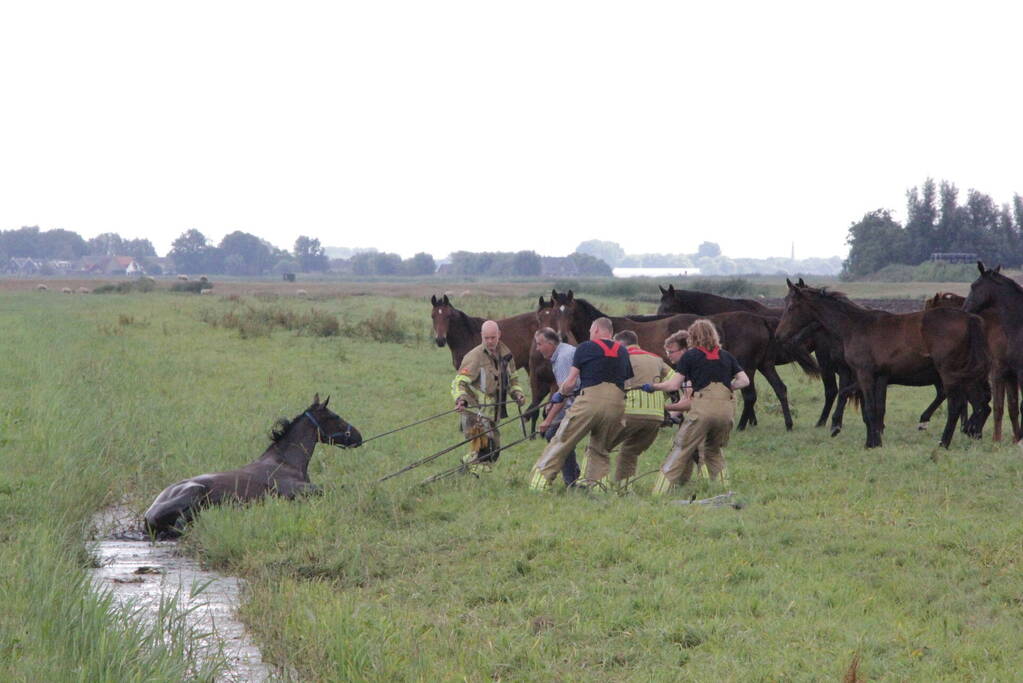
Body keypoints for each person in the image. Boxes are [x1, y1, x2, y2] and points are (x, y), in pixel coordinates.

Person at [642, 320, 749, 495]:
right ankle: (724, 490)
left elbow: (673, 385)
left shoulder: (690, 357)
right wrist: (727, 388)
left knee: (681, 448)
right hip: (726, 412)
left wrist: (653, 387)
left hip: (702, 410)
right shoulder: (726, 356)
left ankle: (658, 493)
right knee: (714, 451)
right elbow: (744, 381)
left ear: (693, 337)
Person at [528, 317, 633, 490]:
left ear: (597, 330)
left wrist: (559, 395)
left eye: (591, 330)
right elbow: (627, 383)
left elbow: (570, 382)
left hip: (589, 401)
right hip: (616, 405)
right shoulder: (622, 351)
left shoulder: (585, 347)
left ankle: (539, 482)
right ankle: (598, 487)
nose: (590, 334)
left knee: (563, 440)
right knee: (600, 450)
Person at [451, 320, 526, 474]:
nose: (490, 341)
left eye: (493, 337)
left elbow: (513, 379)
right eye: (486, 338)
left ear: (499, 335)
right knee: (487, 446)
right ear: (481, 337)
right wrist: (461, 400)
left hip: (494, 412)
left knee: (494, 450)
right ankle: (473, 476)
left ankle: (468, 468)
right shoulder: (475, 357)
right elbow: (459, 382)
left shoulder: (506, 354)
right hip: (475, 412)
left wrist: (517, 393)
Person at [606, 329, 676, 485]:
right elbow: (675, 383)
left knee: (599, 448)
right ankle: (623, 488)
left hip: (630, 412)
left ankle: (593, 485)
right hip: (655, 416)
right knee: (630, 451)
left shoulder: (621, 357)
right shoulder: (657, 359)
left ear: (620, 344)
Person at [533, 327, 581, 485]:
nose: (537, 348)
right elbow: (561, 391)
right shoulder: (563, 352)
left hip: (578, 403)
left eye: (539, 344)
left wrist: (548, 421)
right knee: (559, 435)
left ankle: (571, 479)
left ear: (550, 343)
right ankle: (573, 473)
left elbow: (565, 393)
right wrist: (551, 403)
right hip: (574, 400)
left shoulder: (562, 358)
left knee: (554, 433)